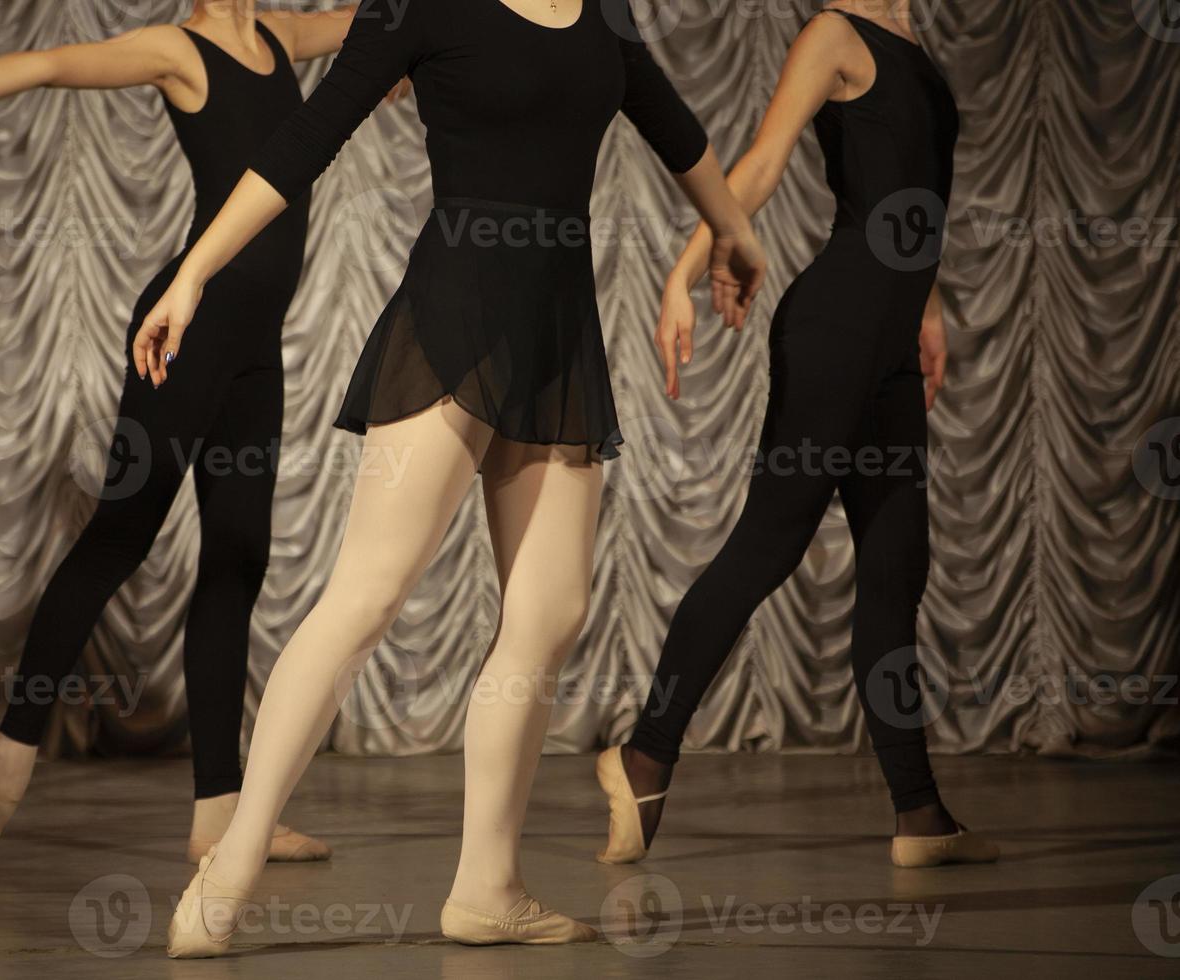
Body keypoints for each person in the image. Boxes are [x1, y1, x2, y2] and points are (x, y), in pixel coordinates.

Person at [132, 0, 766, 957]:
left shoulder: (605, 13)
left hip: (558, 330)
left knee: (551, 610)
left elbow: (672, 124)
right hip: (454, 313)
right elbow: (308, 135)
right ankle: (228, 869)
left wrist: (730, 230)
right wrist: (195, 273)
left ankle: (486, 885)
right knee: (366, 594)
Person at [0, 0, 406, 867]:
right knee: (119, 538)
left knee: (240, 556)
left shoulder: (282, 34)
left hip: (254, 351)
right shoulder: (179, 50)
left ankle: (220, 815)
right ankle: (7, 754)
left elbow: (381, 17)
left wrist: (415, 56)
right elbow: (51, 65)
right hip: (186, 329)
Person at [596, 0, 999, 870]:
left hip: (887, 339)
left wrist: (927, 306)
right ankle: (644, 753)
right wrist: (686, 269)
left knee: (898, 566)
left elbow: (912, 192)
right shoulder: (834, 33)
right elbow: (763, 161)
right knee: (768, 545)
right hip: (837, 330)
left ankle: (919, 813)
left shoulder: (913, 41)